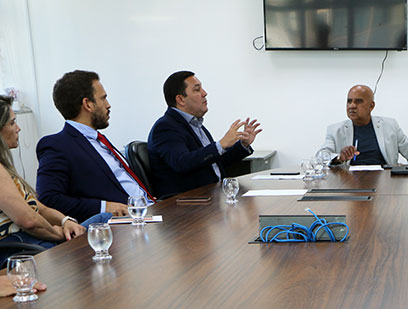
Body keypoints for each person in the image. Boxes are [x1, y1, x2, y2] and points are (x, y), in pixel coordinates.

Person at [0, 95, 110, 262]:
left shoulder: (5, 168)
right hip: (20, 247)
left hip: (29, 242)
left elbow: (38, 207)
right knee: (105, 220)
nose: (18, 128)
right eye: (12, 123)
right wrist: (58, 233)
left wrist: (65, 221)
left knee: (105, 220)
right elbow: (28, 221)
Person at [36, 70, 154, 222]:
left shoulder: (99, 140)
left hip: (149, 211)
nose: (108, 105)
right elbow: (49, 199)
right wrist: (104, 207)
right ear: (88, 104)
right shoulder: (57, 145)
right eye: (103, 99)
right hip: (120, 226)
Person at [147, 71, 261, 197]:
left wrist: (243, 144)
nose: (204, 93)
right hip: (188, 203)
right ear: (180, 100)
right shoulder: (165, 127)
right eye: (197, 90)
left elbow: (214, 162)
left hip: (214, 195)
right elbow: (182, 163)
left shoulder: (195, 125)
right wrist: (221, 145)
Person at [319, 84, 408, 166]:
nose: (352, 106)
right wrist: (339, 158)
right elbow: (321, 157)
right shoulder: (335, 130)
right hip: (349, 182)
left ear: (371, 106)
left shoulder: (390, 126)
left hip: (385, 182)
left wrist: (407, 169)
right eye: (349, 101)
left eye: (358, 101)